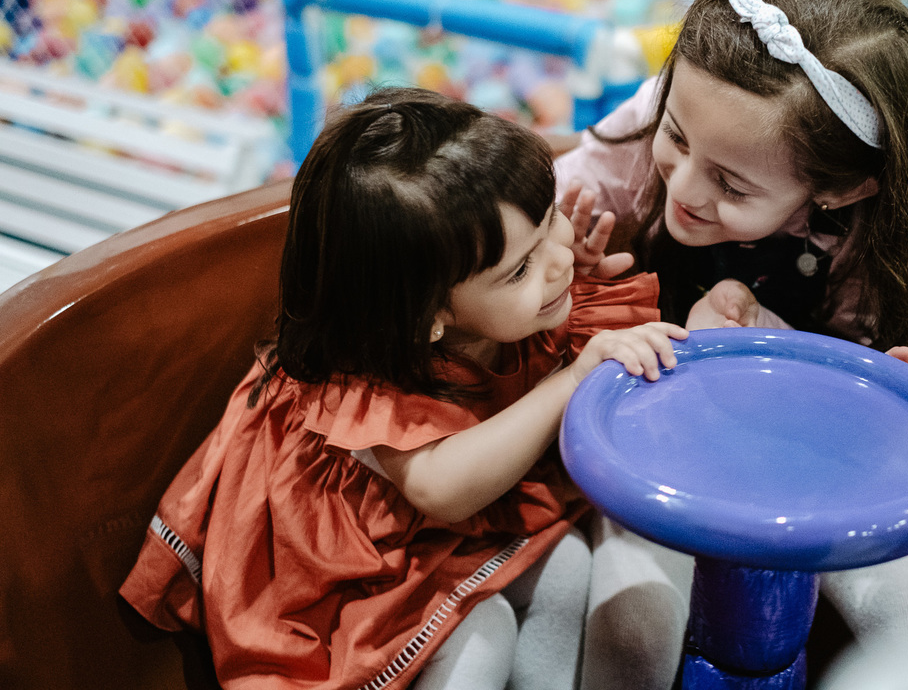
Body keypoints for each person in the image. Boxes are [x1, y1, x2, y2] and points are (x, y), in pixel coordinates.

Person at [119, 87, 687, 690]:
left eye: (551, 222)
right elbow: (442, 489)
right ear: (428, 318)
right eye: (520, 268)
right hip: (348, 573)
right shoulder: (368, 377)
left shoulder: (495, 310)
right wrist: (570, 379)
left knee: (570, 566)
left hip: (446, 535)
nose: (558, 261)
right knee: (482, 634)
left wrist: (561, 276)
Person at [555, 0, 908, 688]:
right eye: (677, 135)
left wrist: (894, 407)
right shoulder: (667, 127)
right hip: (643, 437)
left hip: (809, 454)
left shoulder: (881, 242)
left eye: (731, 183)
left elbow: (868, 400)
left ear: (841, 187)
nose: (685, 186)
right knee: (635, 628)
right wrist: (561, 265)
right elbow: (524, 231)